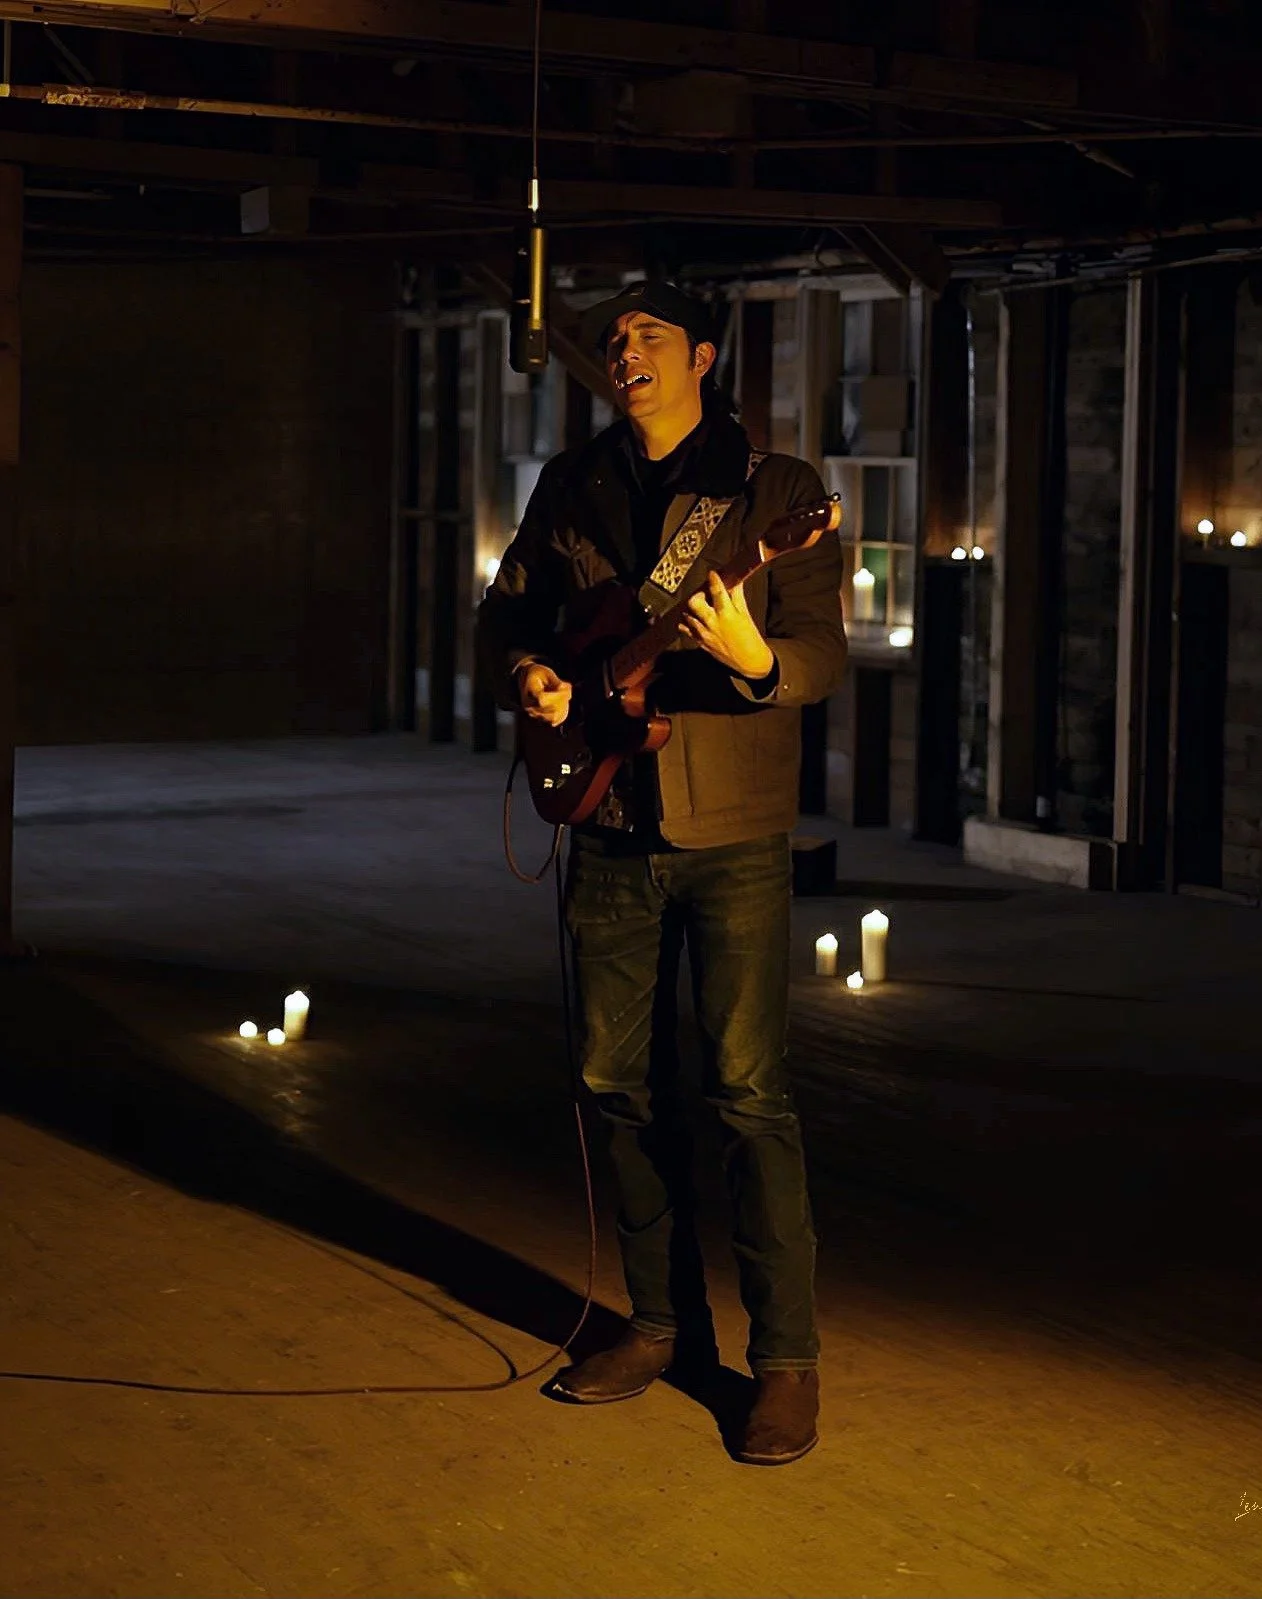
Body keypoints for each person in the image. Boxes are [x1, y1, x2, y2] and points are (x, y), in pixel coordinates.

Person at [476, 280, 845, 1466]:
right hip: (608, 822)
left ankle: (784, 1364)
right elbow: (506, 622)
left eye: (646, 337)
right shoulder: (572, 484)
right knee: (610, 1080)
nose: (622, 353)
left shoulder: (773, 494)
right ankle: (658, 1325)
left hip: (731, 831)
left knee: (748, 1093)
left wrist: (751, 656)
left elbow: (821, 657)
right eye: (614, 341)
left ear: (703, 356)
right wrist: (531, 676)